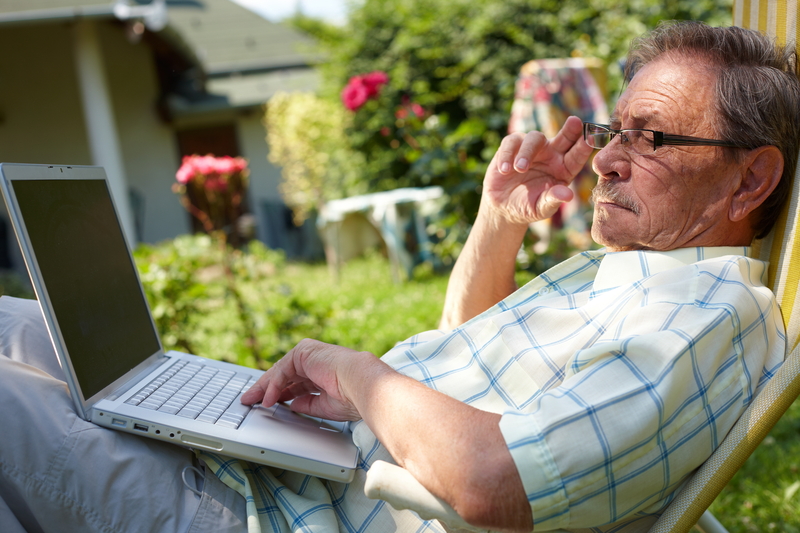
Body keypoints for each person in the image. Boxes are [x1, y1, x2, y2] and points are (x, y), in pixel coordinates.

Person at [0, 20, 798, 533]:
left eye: (650, 137)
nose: (609, 159)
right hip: (282, 471)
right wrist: (497, 218)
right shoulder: (628, 272)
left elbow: (496, 476)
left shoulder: (711, 314)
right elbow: (465, 351)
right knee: (19, 327)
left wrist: (349, 370)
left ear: (751, 180)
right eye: (611, 129)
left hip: (261, 515)